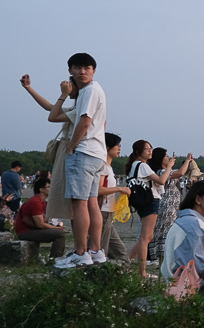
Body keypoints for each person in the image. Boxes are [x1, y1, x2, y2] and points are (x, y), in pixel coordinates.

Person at [55, 53, 107, 269]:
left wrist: (72, 145)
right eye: (77, 67)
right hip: (97, 154)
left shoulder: (89, 91)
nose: (82, 71)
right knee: (92, 203)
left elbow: (85, 121)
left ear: (93, 70)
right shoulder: (96, 90)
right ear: (70, 70)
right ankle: (96, 251)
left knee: (80, 203)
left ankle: (80, 253)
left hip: (84, 152)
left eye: (86, 67)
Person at [21, 74, 78, 223]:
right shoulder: (75, 107)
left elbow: (52, 116)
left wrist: (63, 94)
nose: (67, 86)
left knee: (75, 200)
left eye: (71, 84)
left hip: (70, 150)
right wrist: (28, 88)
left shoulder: (80, 108)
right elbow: (49, 107)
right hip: (68, 150)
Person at [161, 180, 204, 285]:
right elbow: (197, 266)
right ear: (198, 199)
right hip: (185, 284)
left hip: (176, 281)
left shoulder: (187, 220)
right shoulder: (193, 224)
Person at [123, 140, 175, 277]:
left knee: (148, 237)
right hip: (150, 201)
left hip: (143, 202)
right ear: (138, 152)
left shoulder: (134, 165)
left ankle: (127, 260)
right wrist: (169, 167)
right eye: (147, 149)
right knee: (145, 238)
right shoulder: (143, 166)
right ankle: (142, 272)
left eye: (151, 148)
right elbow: (161, 180)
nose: (150, 151)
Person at [148, 148, 197, 264]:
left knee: (169, 237)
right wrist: (186, 160)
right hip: (166, 209)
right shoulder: (160, 172)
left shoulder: (165, 171)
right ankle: (164, 267)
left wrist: (188, 163)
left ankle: (165, 266)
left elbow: (180, 172)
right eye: (166, 156)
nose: (168, 158)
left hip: (171, 208)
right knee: (166, 237)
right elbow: (180, 173)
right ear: (160, 158)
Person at [14, 177, 66, 259]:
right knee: (60, 235)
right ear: (41, 189)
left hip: (32, 229)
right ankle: (55, 259)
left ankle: (56, 258)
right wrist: (56, 228)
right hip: (25, 232)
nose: (51, 189)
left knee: (59, 231)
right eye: (49, 187)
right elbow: (40, 224)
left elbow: (44, 220)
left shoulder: (43, 202)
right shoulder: (35, 202)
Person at [97, 132, 131, 261]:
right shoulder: (102, 166)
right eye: (117, 145)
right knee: (101, 249)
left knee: (121, 253)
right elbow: (98, 190)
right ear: (107, 147)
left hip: (108, 212)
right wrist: (119, 188)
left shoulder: (109, 167)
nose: (120, 148)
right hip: (102, 211)